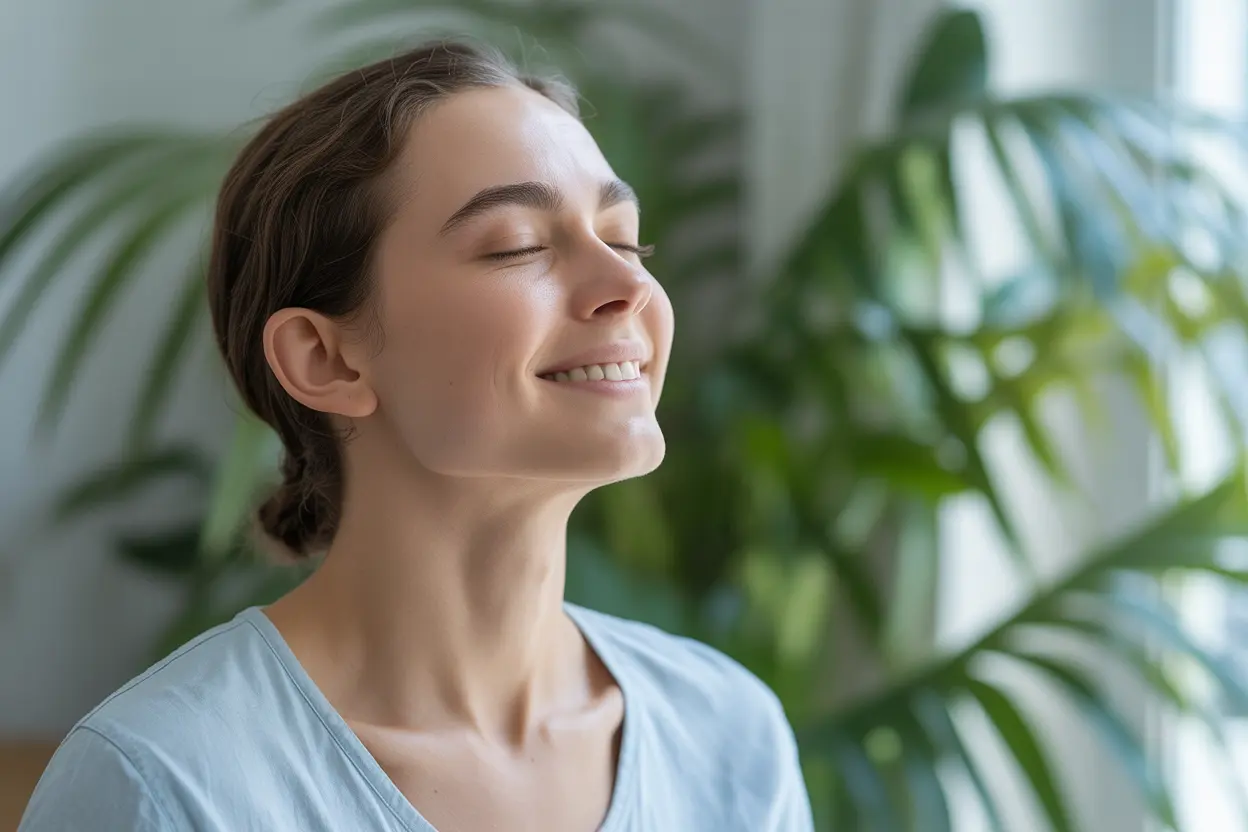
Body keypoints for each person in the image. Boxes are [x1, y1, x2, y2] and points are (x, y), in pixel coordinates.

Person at [20, 41, 814, 831]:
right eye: (519, 246)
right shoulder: (164, 784)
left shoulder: (728, 738)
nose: (631, 286)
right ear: (325, 358)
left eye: (625, 238)